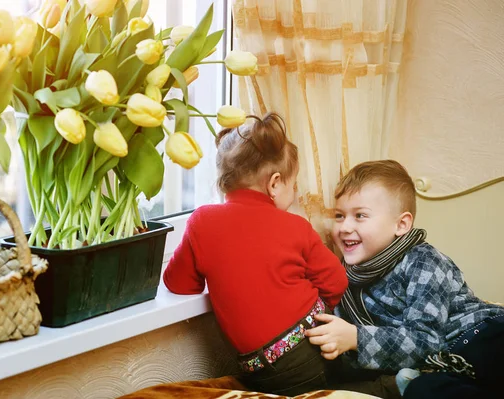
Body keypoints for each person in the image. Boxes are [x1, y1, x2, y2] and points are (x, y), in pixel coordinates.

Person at [163, 112, 348, 396]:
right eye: (294, 184)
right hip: (308, 351)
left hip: (256, 368)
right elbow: (336, 282)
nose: (296, 192)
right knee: (348, 379)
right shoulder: (296, 226)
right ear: (275, 183)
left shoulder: (201, 222)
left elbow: (179, 283)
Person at [304, 159, 504, 398]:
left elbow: (426, 341)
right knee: (422, 391)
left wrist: (357, 338)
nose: (345, 227)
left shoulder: (423, 260)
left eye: (360, 216)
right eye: (339, 215)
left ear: (401, 224)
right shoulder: (343, 279)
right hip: (444, 366)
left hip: (481, 335)